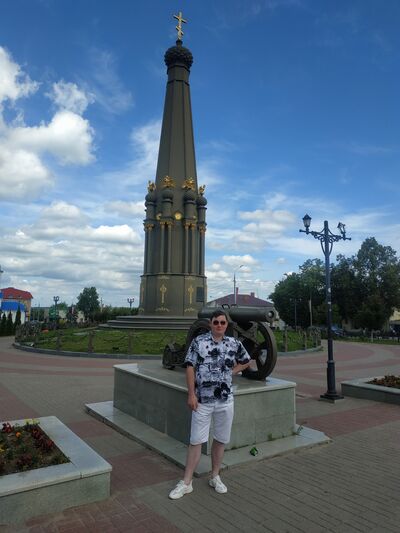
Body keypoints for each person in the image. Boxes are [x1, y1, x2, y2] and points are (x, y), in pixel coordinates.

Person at [169, 309, 251, 499]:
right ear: (210, 324)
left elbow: (246, 360)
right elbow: (190, 367)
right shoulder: (199, 342)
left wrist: (232, 372)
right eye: (216, 322)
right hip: (203, 401)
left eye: (222, 322)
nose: (219, 325)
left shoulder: (233, 343)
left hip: (225, 400)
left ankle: (215, 476)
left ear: (226, 325)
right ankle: (187, 482)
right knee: (196, 441)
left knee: (220, 439)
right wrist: (191, 394)